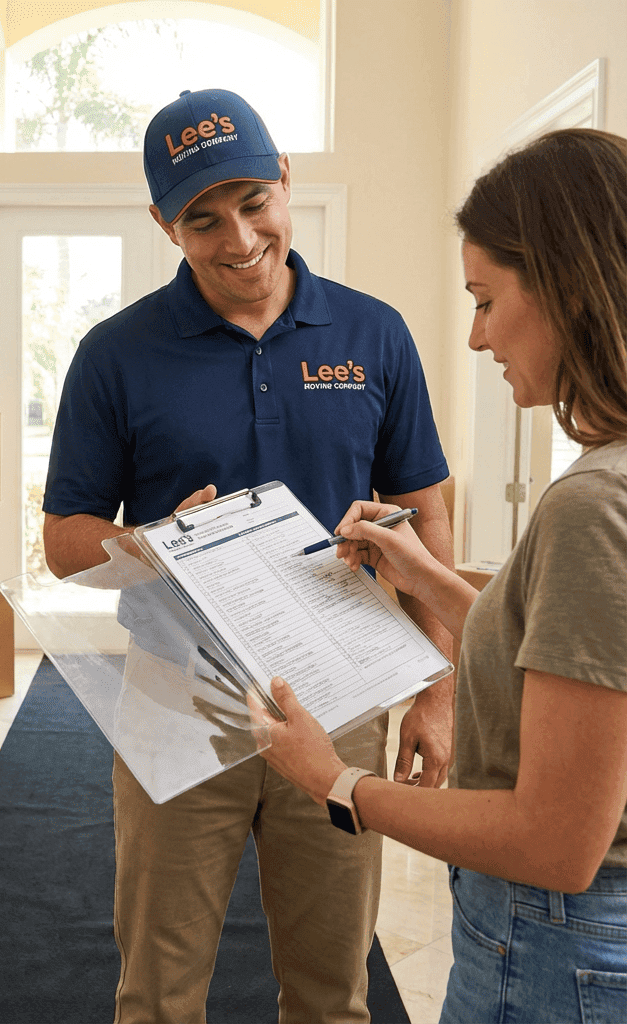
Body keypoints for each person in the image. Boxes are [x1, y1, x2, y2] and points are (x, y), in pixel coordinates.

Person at [42, 87, 455, 1024]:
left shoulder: (372, 333)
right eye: (202, 218)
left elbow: (426, 509)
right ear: (163, 223)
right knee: (157, 990)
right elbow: (65, 541)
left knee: (332, 987)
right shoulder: (115, 354)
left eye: (253, 201)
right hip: (178, 698)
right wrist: (146, 547)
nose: (238, 238)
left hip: (342, 693)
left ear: (284, 181)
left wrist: (436, 688)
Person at [251, 127, 627, 1024]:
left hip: (551, 946)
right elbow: (580, 659)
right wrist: (425, 576)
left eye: (487, 299)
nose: (474, 336)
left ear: (569, 289)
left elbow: (554, 840)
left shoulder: (591, 507)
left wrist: (335, 782)